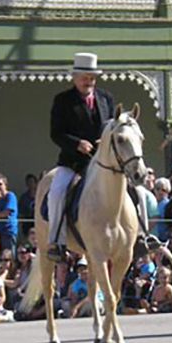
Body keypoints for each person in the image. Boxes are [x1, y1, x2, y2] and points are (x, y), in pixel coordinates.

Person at [47, 52, 115, 262]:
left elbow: (112, 126)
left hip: (103, 162)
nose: (89, 81)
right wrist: (77, 144)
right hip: (74, 162)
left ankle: (141, 236)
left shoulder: (106, 98)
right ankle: (56, 241)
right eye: (85, 78)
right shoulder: (62, 100)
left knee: (135, 190)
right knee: (56, 193)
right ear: (75, 77)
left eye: (92, 78)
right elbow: (56, 133)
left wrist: (106, 139)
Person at [18, 173, 38, 238]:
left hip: (38, 221)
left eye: (32, 182)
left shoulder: (40, 196)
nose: (30, 184)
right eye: (28, 182)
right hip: (27, 222)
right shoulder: (24, 197)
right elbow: (20, 211)